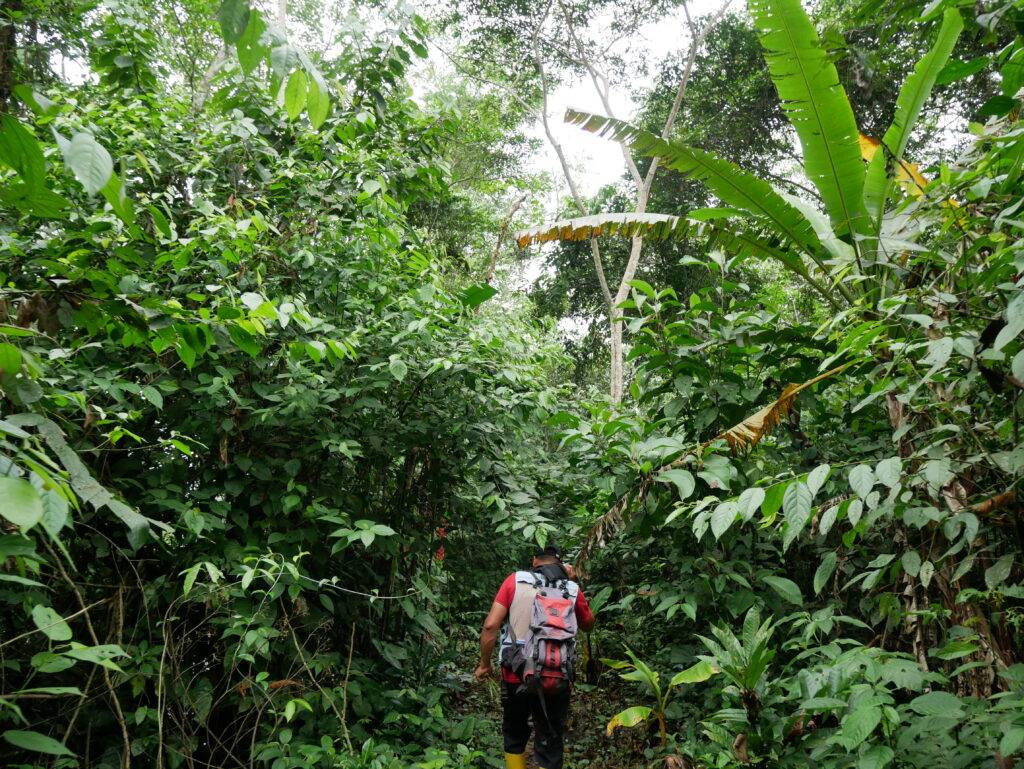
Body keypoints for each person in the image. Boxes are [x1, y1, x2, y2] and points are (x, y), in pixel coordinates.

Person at [474, 545, 596, 769]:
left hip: (515, 673)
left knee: (514, 733)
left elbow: (491, 626)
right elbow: (588, 624)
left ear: (534, 561)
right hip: (556, 674)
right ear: (560, 563)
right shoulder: (571, 587)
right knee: (550, 738)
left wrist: (484, 665)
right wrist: (573, 583)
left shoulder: (514, 581)